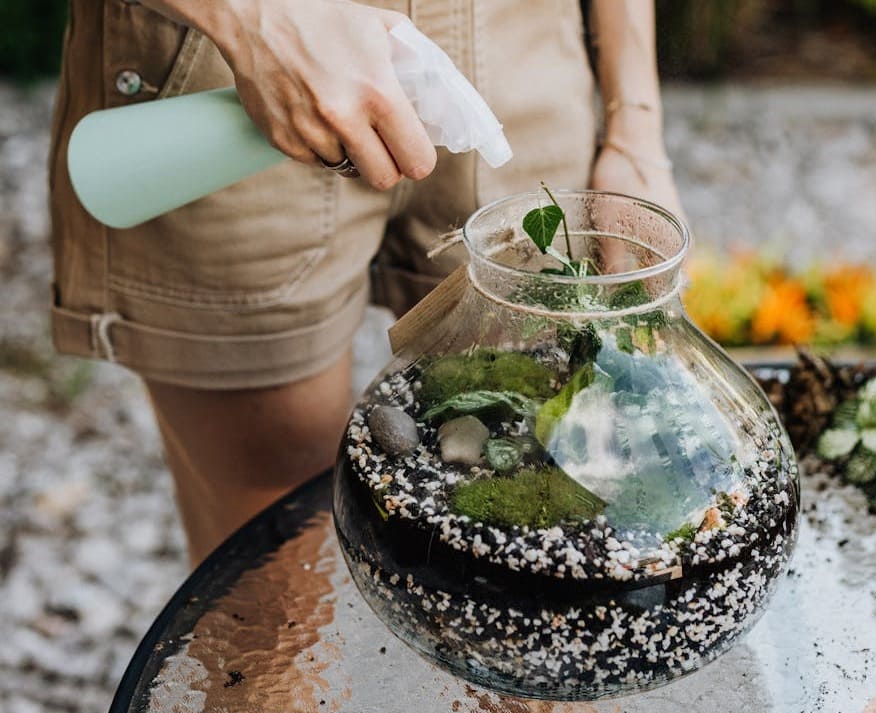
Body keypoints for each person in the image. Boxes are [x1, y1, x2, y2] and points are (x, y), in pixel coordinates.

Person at [50, 0, 683, 566]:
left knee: (541, 539)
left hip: (523, 54)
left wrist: (635, 123)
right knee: (274, 567)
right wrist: (251, 20)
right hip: (236, 72)